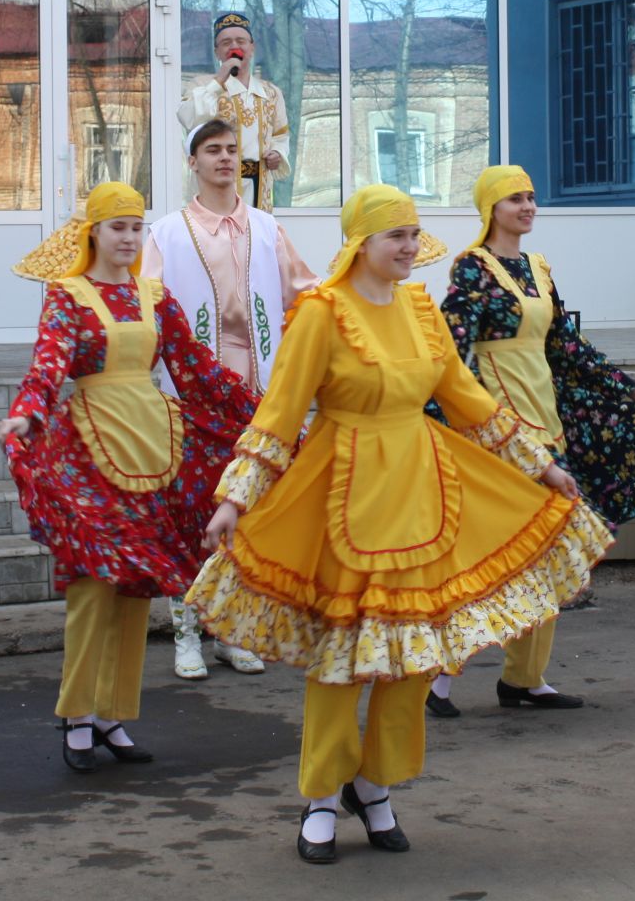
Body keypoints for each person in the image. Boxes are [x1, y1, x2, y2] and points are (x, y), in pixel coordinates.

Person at [183, 184, 612, 864]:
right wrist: (235, 498)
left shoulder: (419, 307)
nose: (411, 248)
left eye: (414, 235)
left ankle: (375, 786)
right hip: (343, 494)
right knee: (342, 663)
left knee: (413, 661)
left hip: (422, 486)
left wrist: (539, 466)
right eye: (397, 238)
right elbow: (280, 413)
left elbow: (466, 398)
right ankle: (323, 796)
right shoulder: (321, 313)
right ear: (361, 244)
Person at [0, 181, 258, 772]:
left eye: (137, 227)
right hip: (88, 446)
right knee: (94, 584)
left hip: (150, 441)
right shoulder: (67, 294)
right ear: (93, 232)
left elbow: (196, 370)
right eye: (118, 227)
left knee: (136, 587)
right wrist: (28, 411)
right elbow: (50, 362)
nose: (128, 237)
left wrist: (263, 412)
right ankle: (77, 712)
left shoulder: (154, 295)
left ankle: (113, 714)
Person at [426, 164, 635, 717]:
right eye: (515, 198)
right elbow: (453, 352)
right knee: (494, 558)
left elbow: (566, 346)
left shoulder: (538, 267)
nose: (528, 206)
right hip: (502, 433)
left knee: (548, 557)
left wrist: (630, 388)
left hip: (549, 424)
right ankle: (439, 678)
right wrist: (454, 424)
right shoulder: (473, 268)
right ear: (490, 208)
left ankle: (524, 679)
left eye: (532, 197)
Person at [141, 119, 317, 680]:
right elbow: (146, 307)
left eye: (231, 150)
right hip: (193, 391)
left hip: (258, 383)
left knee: (247, 505)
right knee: (194, 505)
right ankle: (187, 629)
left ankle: (232, 627)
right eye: (211, 150)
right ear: (192, 162)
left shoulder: (266, 227)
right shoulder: (167, 232)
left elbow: (304, 292)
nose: (223, 159)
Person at [176, 11, 291, 212]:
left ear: (252, 47)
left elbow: (280, 137)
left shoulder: (271, 92)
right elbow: (188, 117)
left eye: (241, 41)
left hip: (259, 186)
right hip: (219, 182)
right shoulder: (202, 86)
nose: (234, 47)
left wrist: (277, 154)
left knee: (255, 237)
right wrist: (219, 80)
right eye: (226, 42)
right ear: (217, 52)